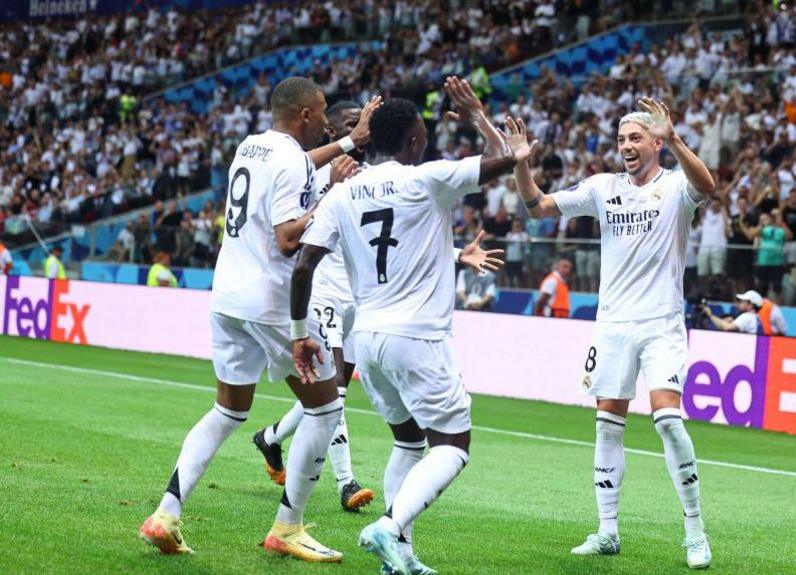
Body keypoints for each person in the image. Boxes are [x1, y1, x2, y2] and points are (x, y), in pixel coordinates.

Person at [289, 78, 527, 575]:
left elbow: (304, 263)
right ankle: (390, 526)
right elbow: (506, 159)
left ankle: (400, 556)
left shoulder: (343, 193)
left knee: (408, 442)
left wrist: (298, 331)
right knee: (454, 446)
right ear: (415, 141)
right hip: (417, 337)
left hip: (368, 341)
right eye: (422, 134)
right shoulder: (427, 178)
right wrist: (481, 118)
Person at [139, 77, 365, 562]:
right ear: (304, 114)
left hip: (227, 297)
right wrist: (334, 193)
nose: (327, 121)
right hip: (269, 301)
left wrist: (347, 143)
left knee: (227, 411)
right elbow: (288, 239)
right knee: (325, 409)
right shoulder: (289, 159)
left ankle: (165, 514)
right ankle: (288, 526)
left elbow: (300, 167)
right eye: (322, 112)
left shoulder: (252, 146)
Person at [507, 97, 715, 569]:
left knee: (667, 420)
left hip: (662, 323)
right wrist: (521, 165)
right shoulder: (602, 188)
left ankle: (695, 530)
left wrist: (680, 139)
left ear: (657, 143)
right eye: (622, 139)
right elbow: (537, 206)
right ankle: (607, 531)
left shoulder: (677, 187)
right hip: (613, 325)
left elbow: (710, 185)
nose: (626, 145)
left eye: (636, 138)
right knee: (607, 425)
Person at [251, 99, 380, 513]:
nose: (360, 129)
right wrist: (332, 187)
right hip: (322, 291)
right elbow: (294, 234)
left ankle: (271, 437)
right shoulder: (316, 172)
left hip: (356, 300)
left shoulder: (377, 176)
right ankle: (347, 482)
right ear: (332, 132)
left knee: (326, 394)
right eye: (349, 123)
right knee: (335, 394)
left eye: (363, 123)